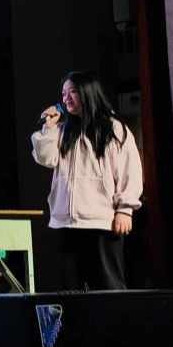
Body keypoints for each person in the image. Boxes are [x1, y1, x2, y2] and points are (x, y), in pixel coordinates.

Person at [32, 71, 142, 291]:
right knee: (72, 290)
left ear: (88, 93)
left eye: (72, 92)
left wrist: (125, 209)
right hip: (67, 223)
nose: (66, 98)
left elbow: (129, 170)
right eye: (64, 93)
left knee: (108, 287)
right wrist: (49, 127)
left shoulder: (113, 128)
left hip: (102, 222)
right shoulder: (63, 131)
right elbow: (45, 158)